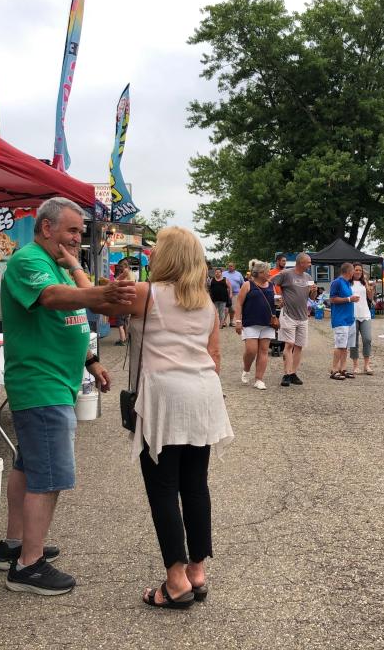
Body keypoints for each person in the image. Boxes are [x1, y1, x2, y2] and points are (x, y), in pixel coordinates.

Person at [0, 197, 136, 595]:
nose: (78, 238)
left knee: (27, 467)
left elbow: (73, 316)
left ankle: (14, 546)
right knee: (50, 476)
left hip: (57, 379)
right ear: (46, 228)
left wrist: (91, 360)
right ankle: (29, 566)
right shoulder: (27, 261)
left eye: (80, 231)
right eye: (72, 231)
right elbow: (54, 300)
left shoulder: (56, 262)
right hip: (41, 384)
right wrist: (101, 292)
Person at [104, 227, 234, 608]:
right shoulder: (207, 305)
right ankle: (197, 570)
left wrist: (73, 267)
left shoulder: (147, 295)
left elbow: (103, 305)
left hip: (164, 397)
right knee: (195, 486)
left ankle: (175, 582)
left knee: (162, 487)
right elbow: (215, 357)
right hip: (203, 396)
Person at [271, 252, 317, 387]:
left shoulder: (308, 277)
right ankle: (286, 373)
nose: (310, 265)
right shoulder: (286, 274)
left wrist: (313, 290)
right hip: (288, 315)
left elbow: (312, 298)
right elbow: (270, 282)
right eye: (308, 262)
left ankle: (293, 373)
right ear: (300, 263)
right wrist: (277, 297)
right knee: (289, 344)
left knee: (299, 346)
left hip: (303, 316)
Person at [233, 260, 274, 390]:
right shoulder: (247, 285)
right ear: (260, 273)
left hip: (267, 322)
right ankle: (246, 368)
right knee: (251, 350)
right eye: (267, 271)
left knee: (263, 351)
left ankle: (259, 379)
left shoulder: (271, 285)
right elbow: (239, 303)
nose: (269, 273)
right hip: (250, 322)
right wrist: (238, 321)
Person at [329, 262, 359, 379]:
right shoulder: (337, 282)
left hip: (349, 319)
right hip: (340, 319)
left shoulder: (347, 283)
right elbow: (332, 299)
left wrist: (351, 299)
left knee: (345, 346)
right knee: (339, 345)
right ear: (349, 272)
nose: (354, 273)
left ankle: (343, 368)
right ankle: (334, 369)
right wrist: (349, 299)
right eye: (353, 271)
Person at [349, 263, 375, 375]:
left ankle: (367, 365)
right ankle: (355, 365)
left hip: (365, 314)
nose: (358, 272)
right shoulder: (347, 283)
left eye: (360, 270)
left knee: (367, 339)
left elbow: (370, 298)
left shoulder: (364, 283)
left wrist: (371, 289)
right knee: (354, 342)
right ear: (352, 271)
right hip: (353, 315)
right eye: (356, 270)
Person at [113, 260, 135, 346]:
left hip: (122, 301)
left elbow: (116, 282)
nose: (120, 269)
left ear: (124, 267)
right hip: (129, 301)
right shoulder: (132, 274)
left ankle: (122, 340)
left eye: (121, 267)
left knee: (120, 323)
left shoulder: (125, 274)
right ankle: (127, 338)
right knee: (126, 321)